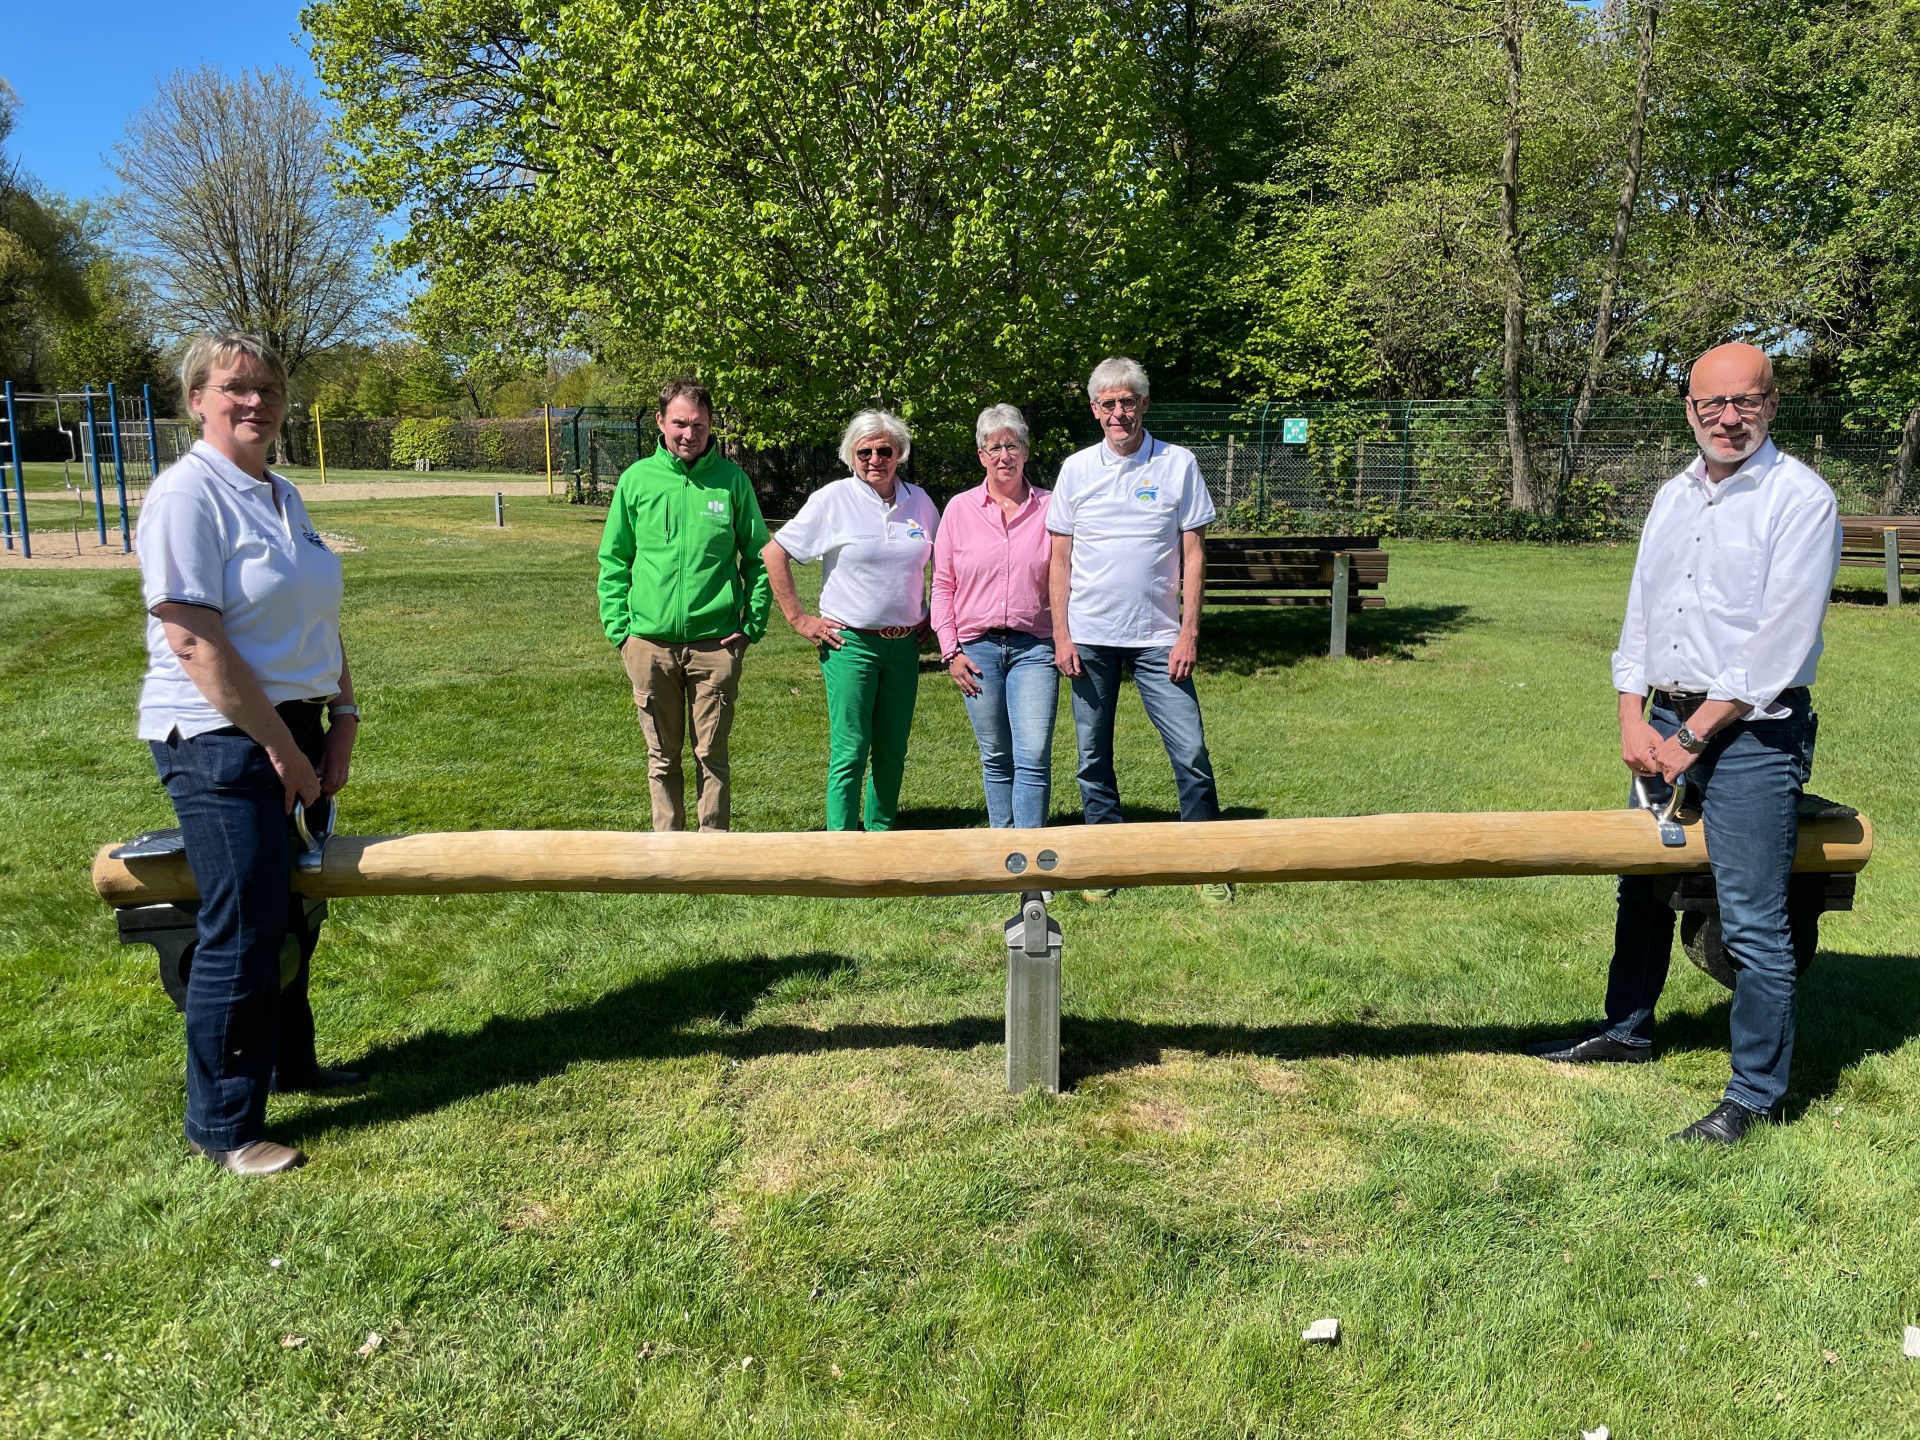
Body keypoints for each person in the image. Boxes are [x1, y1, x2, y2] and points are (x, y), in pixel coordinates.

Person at [1524, 342, 1842, 1146]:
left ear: (1772, 404)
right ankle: (1626, 1029)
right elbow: (1643, 613)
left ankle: (1754, 1095)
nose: (1727, 418)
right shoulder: (1673, 495)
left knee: (1751, 917)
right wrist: (1633, 716)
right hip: (1663, 720)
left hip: (1753, 732)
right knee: (1641, 885)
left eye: (1745, 402)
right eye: (1711, 404)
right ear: (1689, 409)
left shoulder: (1800, 500)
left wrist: (1695, 736)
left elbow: (1781, 643)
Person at [137, 333, 363, 1176]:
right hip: (218, 737)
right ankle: (226, 1126)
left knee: (295, 906)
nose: (254, 401)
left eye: (267, 387)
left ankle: (292, 1067)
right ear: (197, 399)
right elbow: (195, 642)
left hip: (293, 727)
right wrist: (283, 750)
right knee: (244, 925)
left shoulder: (282, 494)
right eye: (234, 387)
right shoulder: (186, 497)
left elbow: (317, 616)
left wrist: (340, 717)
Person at [1048, 357, 1230, 904]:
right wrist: (1061, 633)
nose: (1119, 412)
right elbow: (1059, 560)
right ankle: (1105, 858)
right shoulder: (1075, 469)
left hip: (1158, 637)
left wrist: (1189, 632)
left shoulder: (1178, 464)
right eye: (1109, 403)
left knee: (1190, 749)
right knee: (1091, 755)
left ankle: (1205, 861)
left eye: (1128, 401)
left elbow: (1194, 556)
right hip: (1090, 635)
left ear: (1144, 405)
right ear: (1094, 409)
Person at [598, 379, 772, 832]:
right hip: (648, 643)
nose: (688, 433)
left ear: (710, 425)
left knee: (712, 754)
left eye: (698, 424)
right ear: (661, 422)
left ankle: (712, 846)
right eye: (679, 423)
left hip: (715, 643)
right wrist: (621, 630)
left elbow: (759, 557)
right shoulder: (637, 480)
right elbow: (614, 558)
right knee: (662, 756)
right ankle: (668, 849)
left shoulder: (731, 481)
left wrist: (751, 624)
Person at [764, 410, 939, 831]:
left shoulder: (921, 502)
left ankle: (880, 833)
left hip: (904, 646)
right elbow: (775, 553)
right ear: (851, 455)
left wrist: (933, 615)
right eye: (864, 451)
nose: (875, 458)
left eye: (885, 450)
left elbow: (943, 564)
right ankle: (841, 841)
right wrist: (799, 618)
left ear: (900, 453)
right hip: (851, 645)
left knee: (893, 747)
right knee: (852, 747)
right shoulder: (833, 499)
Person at [931, 405, 1058, 830]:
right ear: (981, 454)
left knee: (1034, 754)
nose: (1004, 455)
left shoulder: (1051, 508)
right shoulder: (959, 509)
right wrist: (951, 651)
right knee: (996, 756)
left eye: (1013, 445)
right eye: (994, 447)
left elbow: (1067, 578)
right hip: (977, 650)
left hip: (1036, 648)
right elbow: (942, 584)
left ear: (1026, 450)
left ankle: (1032, 862)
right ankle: (1003, 854)